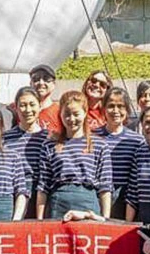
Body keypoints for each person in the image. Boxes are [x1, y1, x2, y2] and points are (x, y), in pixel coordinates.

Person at [35, 91, 112, 220]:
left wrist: (106, 219)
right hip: (59, 202)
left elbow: (105, 186)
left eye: (76, 114)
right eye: (67, 114)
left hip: (88, 202)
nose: (71, 119)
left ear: (85, 112)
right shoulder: (49, 145)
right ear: (60, 115)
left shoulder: (100, 145)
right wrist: (40, 219)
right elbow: (43, 186)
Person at [94, 87, 143, 219]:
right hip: (98, 197)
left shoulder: (137, 140)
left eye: (120, 106)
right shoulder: (92, 137)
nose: (115, 111)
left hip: (125, 198)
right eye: (111, 106)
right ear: (103, 109)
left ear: (127, 110)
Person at [3, 86, 49, 217]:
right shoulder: (5, 138)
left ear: (40, 106)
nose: (28, 110)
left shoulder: (49, 138)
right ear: (16, 108)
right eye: (22, 105)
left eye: (32, 104)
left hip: (41, 195)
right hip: (13, 195)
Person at [29, 63, 62, 134]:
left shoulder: (60, 112)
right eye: (36, 79)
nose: (41, 83)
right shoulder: (19, 110)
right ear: (30, 83)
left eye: (46, 79)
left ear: (54, 84)